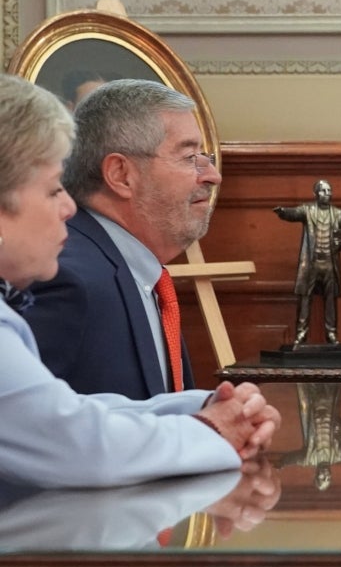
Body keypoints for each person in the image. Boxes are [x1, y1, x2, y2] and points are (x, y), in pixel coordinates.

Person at [0, 73, 279, 489]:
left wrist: (206, 408)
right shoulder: (72, 278)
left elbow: (62, 410)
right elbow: (70, 441)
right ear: (121, 175)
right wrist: (213, 430)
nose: (67, 208)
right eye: (53, 189)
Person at [23, 79, 220, 398]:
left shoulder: (138, 271)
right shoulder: (69, 281)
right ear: (120, 175)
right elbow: (23, 428)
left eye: (204, 157)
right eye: (189, 158)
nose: (212, 175)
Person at [273, 180, 341, 346]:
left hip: (330, 263)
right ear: (316, 194)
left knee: (330, 299)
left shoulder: (339, 213)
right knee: (305, 298)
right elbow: (293, 213)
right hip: (311, 263)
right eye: (323, 191)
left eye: (329, 190)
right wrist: (282, 212)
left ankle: (331, 333)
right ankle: (301, 334)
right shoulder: (308, 210)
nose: (327, 194)